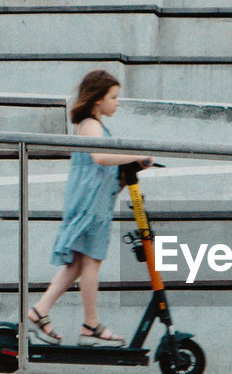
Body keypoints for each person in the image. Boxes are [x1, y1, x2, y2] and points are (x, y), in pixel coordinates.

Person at [28, 69, 152, 347]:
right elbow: (100, 157)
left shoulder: (94, 125)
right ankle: (90, 325)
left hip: (90, 200)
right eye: (114, 97)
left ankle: (39, 311)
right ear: (98, 99)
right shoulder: (91, 125)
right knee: (91, 261)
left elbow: (105, 169)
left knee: (76, 265)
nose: (117, 103)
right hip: (89, 204)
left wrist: (131, 166)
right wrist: (136, 154)